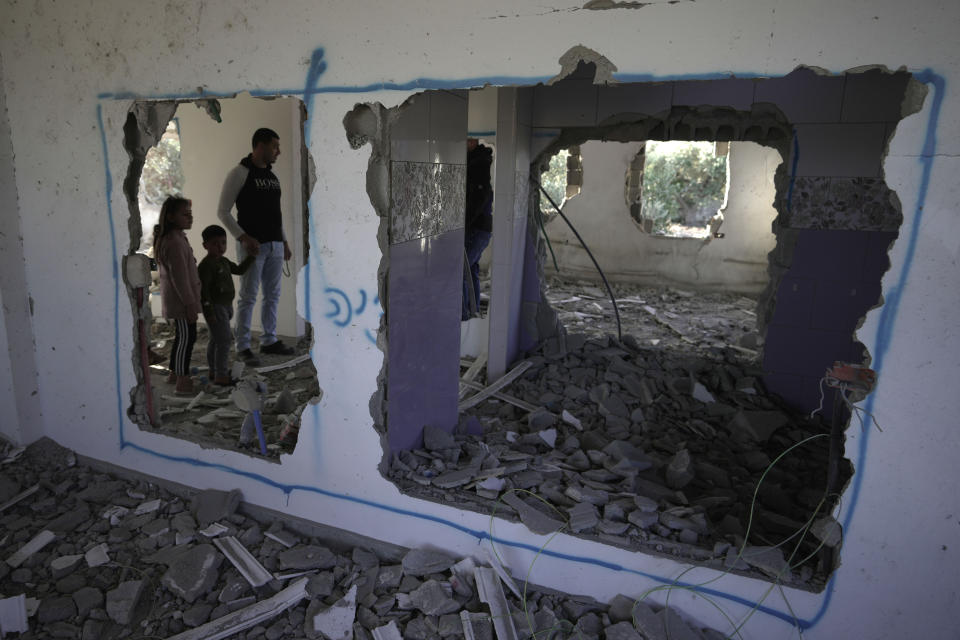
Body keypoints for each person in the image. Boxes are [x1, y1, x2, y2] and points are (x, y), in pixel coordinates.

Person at [217, 127, 294, 365]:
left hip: (275, 245)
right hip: (253, 248)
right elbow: (223, 212)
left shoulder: (272, 177)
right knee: (248, 296)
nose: (278, 152)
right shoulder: (240, 173)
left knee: (272, 295)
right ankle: (243, 346)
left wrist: (284, 241)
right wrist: (243, 238)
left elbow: (275, 214)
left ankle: (269, 340)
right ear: (260, 146)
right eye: (275, 146)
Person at [154, 196, 202, 395]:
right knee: (187, 338)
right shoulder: (174, 241)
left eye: (190, 214)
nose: (190, 218)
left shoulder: (177, 237)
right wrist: (190, 304)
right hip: (181, 302)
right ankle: (182, 379)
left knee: (183, 336)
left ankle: (175, 373)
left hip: (181, 301)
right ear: (172, 217)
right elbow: (179, 279)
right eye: (185, 214)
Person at [198, 224, 255, 386]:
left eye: (223, 243)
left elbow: (239, 270)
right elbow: (204, 292)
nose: (220, 247)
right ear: (205, 246)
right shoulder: (206, 266)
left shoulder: (223, 261)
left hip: (226, 306)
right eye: (215, 243)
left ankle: (213, 369)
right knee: (224, 341)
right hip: (215, 308)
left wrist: (251, 257)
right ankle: (221, 375)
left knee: (216, 340)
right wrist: (209, 311)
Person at [462, 138, 494, 320]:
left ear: (472, 142)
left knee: (461, 270)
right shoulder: (477, 162)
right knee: (471, 267)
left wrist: (464, 223)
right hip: (481, 228)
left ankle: (464, 315)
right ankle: (471, 310)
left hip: (476, 228)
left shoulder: (478, 165)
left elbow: (477, 199)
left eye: (466, 141)